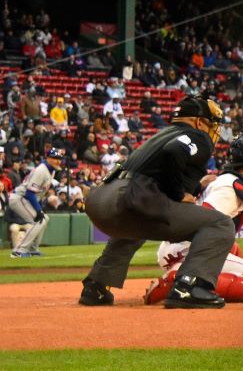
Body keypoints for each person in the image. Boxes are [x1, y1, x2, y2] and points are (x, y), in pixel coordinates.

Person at [77, 95, 233, 308]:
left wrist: (196, 187)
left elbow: (161, 173)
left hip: (102, 199)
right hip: (131, 196)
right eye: (211, 123)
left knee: (138, 224)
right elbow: (174, 152)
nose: (213, 129)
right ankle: (189, 287)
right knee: (220, 224)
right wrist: (178, 194)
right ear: (198, 121)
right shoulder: (197, 136)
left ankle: (96, 286)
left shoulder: (161, 135)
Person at [143, 134, 243, 304]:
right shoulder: (230, 188)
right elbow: (200, 223)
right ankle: (179, 282)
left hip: (180, 247)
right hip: (187, 250)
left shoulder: (235, 182)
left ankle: (233, 266)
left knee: (231, 246)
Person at [7, 147, 62, 257]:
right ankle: (19, 251)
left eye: (59, 158)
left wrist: (39, 208)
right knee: (38, 221)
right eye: (55, 158)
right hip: (20, 198)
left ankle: (32, 249)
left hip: (26, 199)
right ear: (48, 158)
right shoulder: (42, 170)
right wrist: (38, 210)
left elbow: (38, 194)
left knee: (44, 219)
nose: (58, 161)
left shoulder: (51, 171)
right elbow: (29, 193)